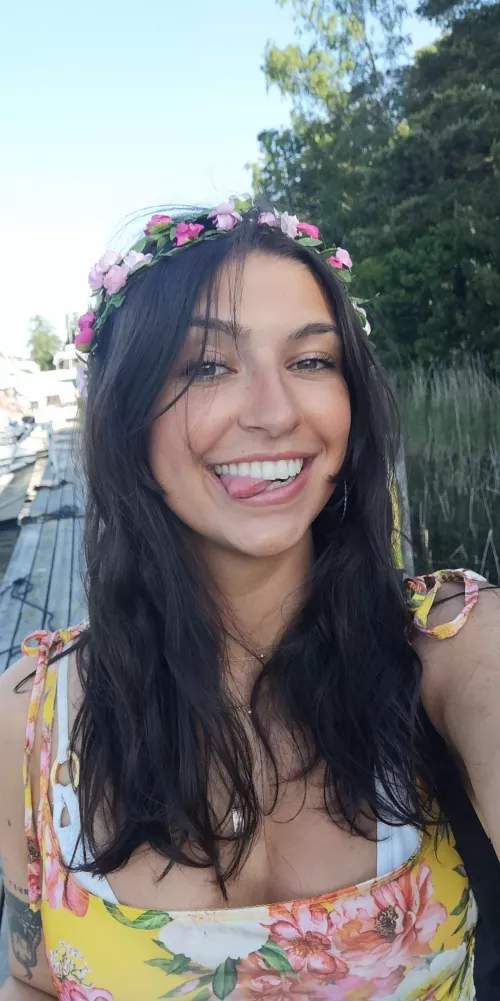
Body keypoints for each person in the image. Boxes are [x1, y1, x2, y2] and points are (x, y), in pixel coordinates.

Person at [0, 200, 498, 1001]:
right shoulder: (31, 722)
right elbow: (33, 978)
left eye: (312, 360)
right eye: (206, 366)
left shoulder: (457, 648)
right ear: (125, 411)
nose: (274, 411)